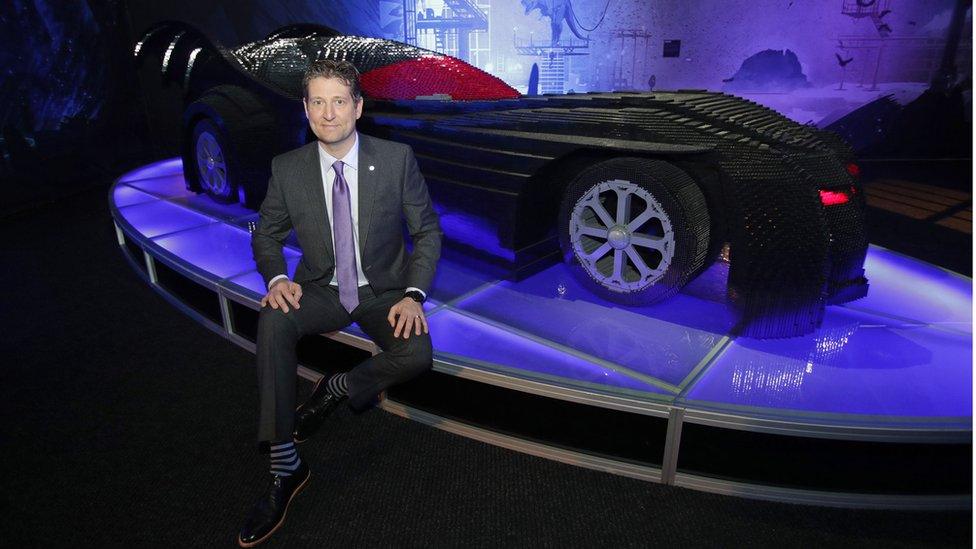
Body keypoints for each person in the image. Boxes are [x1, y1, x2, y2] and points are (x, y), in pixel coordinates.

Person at [238, 59, 442, 547]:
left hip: (385, 290)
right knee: (274, 317)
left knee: (416, 354)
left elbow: (427, 231)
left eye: (338, 101)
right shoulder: (288, 169)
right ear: (306, 109)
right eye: (317, 102)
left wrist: (414, 294)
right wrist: (278, 276)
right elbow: (265, 232)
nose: (328, 113)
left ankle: (339, 387)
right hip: (322, 287)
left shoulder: (396, 159)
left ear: (358, 107)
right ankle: (285, 464)